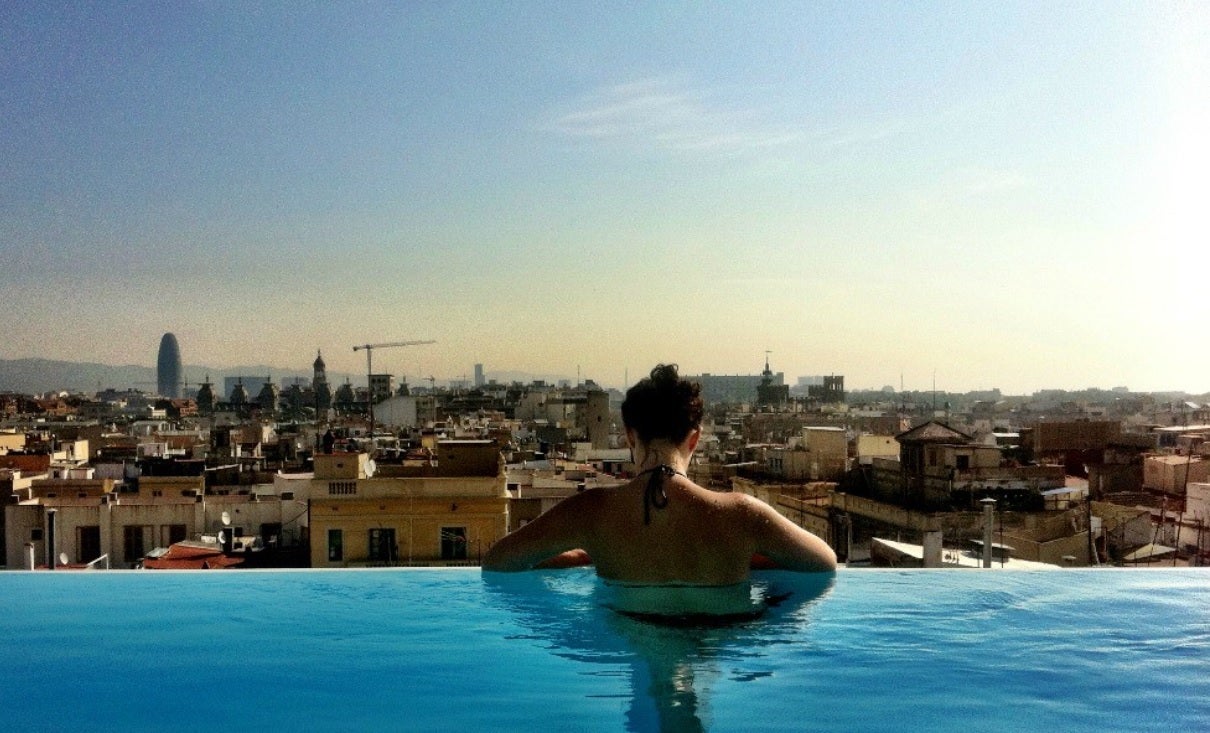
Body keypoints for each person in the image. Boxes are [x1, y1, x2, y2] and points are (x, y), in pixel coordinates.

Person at [482, 364, 836, 585]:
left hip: (628, 636)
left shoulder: (591, 513)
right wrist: (746, 556)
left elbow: (498, 562)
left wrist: (585, 554)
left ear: (630, 436)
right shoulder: (742, 515)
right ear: (694, 439)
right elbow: (824, 563)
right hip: (713, 640)